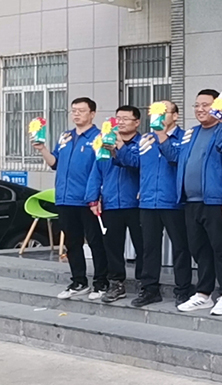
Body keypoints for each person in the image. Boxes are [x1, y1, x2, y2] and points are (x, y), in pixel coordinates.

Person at [160, 89, 222, 316]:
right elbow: (176, 157)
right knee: (199, 249)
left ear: (218, 106)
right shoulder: (192, 133)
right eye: (196, 105)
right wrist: (161, 134)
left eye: (205, 105)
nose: (200, 109)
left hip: (217, 201)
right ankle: (203, 293)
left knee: (221, 248)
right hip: (191, 201)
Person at [116, 100, 190, 308]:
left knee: (180, 248)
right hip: (148, 201)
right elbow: (133, 162)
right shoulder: (146, 139)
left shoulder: (185, 138)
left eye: (163, 112)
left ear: (175, 116)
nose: (158, 116)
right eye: (155, 112)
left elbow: (177, 159)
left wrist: (162, 136)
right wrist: (118, 146)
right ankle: (149, 290)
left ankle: (183, 289)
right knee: (149, 248)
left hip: (173, 202)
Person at [35, 97, 109, 300]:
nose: (76, 114)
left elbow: (102, 169)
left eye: (81, 110)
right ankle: (78, 281)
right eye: (74, 110)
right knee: (72, 242)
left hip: (88, 200)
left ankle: (101, 282)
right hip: (65, 199)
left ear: (92, 114)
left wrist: (97, 196)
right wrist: (42, 149)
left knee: (95, 242)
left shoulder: (100, 138)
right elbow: (55, 163)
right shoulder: (65, 137)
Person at [85, 105, 144, 304]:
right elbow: (96, 172)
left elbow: (138, 166)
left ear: (137, 122)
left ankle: (145, 283)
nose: (120, 122)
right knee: (112, 246)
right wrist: (93, 198)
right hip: (111, 203)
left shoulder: (144, 143)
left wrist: (119, 147)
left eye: (126, 119)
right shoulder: (105, 143)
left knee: (143, 245)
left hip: (137, 204)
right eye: (118, 118)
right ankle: (116, 283)